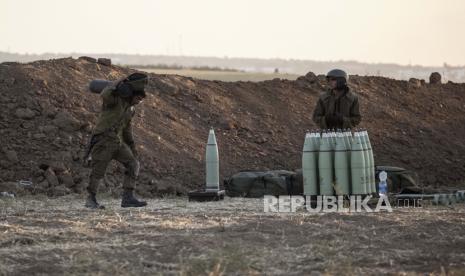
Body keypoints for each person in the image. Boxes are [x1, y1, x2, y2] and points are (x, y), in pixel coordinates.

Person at [85, 72, 148, 209]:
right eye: (138, 99)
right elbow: (104, 95)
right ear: (132, 95)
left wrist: (132, 147)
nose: (138, 102)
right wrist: (117, 83)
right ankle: (90, 199)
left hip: (117, 142)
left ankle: (128, 198)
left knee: (133, 164)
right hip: (103, 140)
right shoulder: (115, 100)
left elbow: (127, 130)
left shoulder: (130, 110)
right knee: (98, 170)